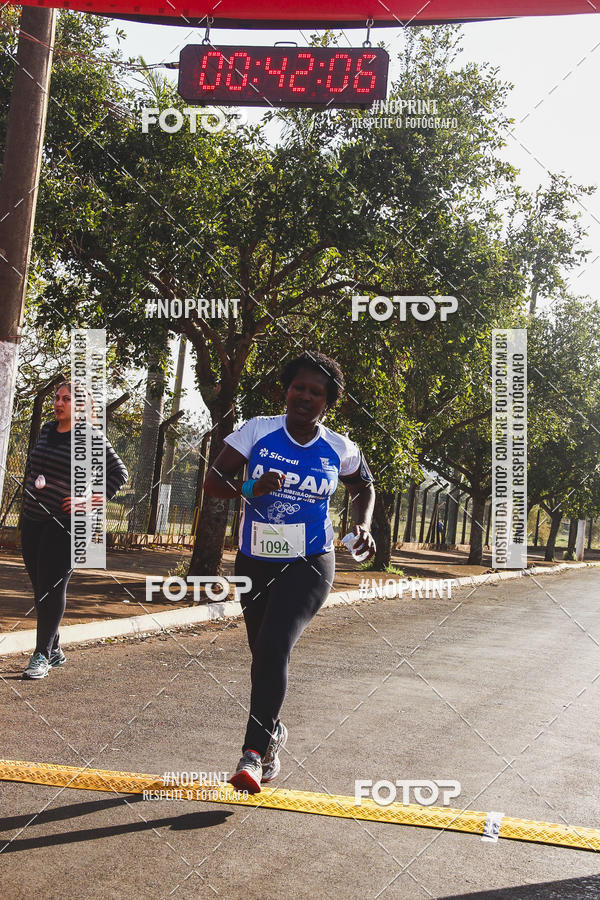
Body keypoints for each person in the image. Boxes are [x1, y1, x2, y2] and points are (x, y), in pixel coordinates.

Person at [204, 351, 376, 793]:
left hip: (310, 562)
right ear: (286, 390)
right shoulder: (257, 431)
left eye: (315, 392)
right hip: (255, 560)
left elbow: (363, 487)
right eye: (298, 387)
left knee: (275, 643)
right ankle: (273, 731)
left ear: (328, 402)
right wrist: (250, 486)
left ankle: (252, 754)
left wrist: (363, 524)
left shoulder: (340, 448)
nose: (304, 396)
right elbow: (212, 481)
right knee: (263, 655)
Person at [20, 381, 129, 679]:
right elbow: (34, 466)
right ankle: (54, 647)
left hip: (68, 524)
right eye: (57, 397)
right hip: (33, 519)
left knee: (52, 587)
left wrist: (91, 499)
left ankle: (41, 655)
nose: (58, 403)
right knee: (40, 587)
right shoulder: (46, 430)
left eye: (67, 399)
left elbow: (119, 472)